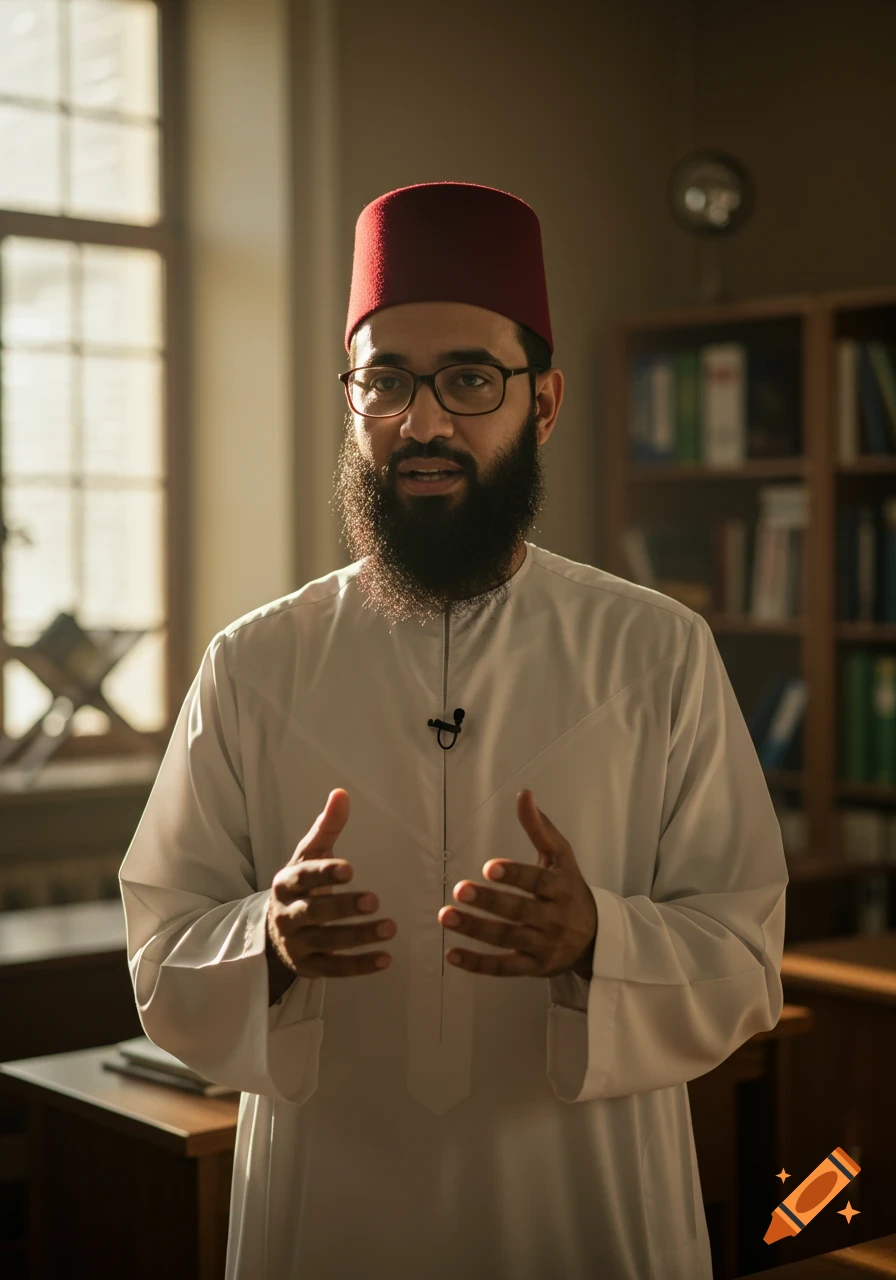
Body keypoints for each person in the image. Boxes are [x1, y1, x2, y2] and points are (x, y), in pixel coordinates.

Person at [120, 181, 788, 1280]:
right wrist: (268, 943)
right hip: (331, 1204)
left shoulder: (655, 650)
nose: (419, 421)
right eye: (382, 379)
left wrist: (596, 940)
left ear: (545, 400)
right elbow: (162, 941)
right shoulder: (253, 661)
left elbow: (744, 950)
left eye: (467, 378)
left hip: (582, 1198)